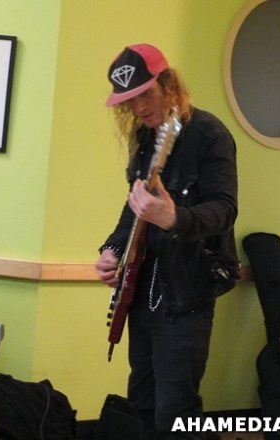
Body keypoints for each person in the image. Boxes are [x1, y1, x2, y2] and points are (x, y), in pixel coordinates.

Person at [95, 44, 239, 438]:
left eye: (146, 94)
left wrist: (175, 218)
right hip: (143, 292)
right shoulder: (146, 139)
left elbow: (225, 210)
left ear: (169, 85)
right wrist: (111, 250)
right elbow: (134, 209)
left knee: (176, 412)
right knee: (142, 401)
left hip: (186, 296)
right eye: (130, 100)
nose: (140, 107)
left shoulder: (209, 134)